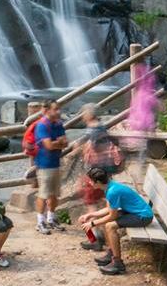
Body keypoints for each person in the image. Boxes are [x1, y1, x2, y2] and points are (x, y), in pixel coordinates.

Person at [66, 104, 121, 250]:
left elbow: (91, 145)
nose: (83, 116)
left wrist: (75, 150)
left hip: (95, 172)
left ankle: (96, 238)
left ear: (89, 115)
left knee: (90, 202)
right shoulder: (101, 127)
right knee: (95, 200)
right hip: (103, 171)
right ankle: (99, 234)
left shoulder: (93, 129)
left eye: (84, 113)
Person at [83, 165, 154, 275]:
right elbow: (109, 209)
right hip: (134, 211)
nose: (89, 183)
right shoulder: (109, 186)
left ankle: (118, 264)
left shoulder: (112, 191)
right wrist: (91, 214)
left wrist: (93, 223)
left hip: (143, 216)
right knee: (105, 222)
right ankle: (111, 253)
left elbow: (112, 216)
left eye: (91, 181)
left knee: (110, 226)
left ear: (97, 181)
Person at [33, 100, 69, 234]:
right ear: (47, 110)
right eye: (55, 109)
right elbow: (48, 146)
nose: (58, 111)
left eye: (59, 108)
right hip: (44, 165)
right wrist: (58, 143)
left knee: (54, 194)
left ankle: (51, 219)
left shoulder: (58, 124)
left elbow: (65, 143)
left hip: (55, 163)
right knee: (43, 194)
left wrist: (57, 144)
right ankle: (40, 222)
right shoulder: (42, 125)